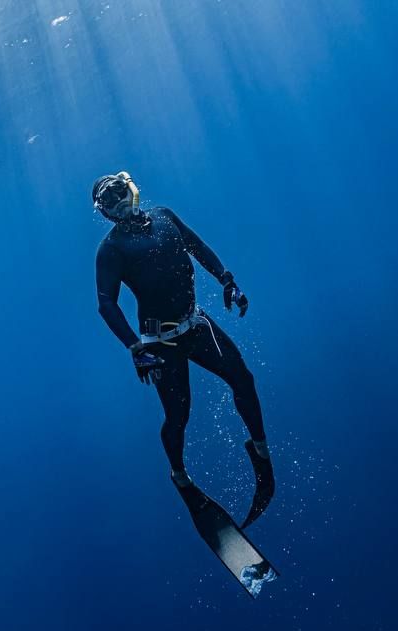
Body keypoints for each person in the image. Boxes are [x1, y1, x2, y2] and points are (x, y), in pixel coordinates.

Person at [92, 171, 274, 528]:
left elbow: (197, 245)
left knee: (243, 379)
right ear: (105, 213)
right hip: (160, 344)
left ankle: (261, 454)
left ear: (130, 186)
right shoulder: (110, 250)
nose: (117, 204)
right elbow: (106, 304)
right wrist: (135, 348)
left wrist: (227, 280)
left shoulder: (164, 216)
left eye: (117, 193)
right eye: (107, 203)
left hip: (197, 324)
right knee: (179, 416)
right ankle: (179, 475)